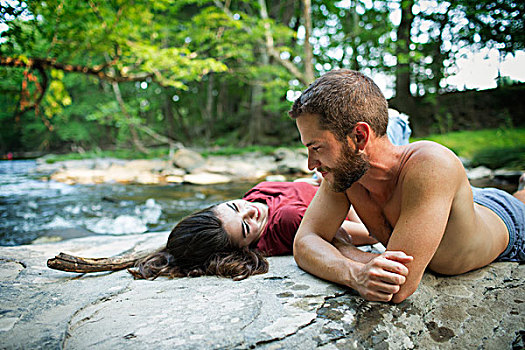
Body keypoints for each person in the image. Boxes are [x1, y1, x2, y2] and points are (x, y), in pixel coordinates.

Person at [289, 68, 525, 304]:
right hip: (446, 202)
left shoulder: (431, 165)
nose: (311, 165)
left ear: (359, 137)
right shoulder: (345, 174)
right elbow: (303, 244)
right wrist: (355, 274)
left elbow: (398, 286)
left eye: (317, 148)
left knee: (521, 198)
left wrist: (339, 247)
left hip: (506, 219)